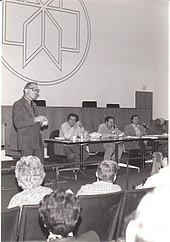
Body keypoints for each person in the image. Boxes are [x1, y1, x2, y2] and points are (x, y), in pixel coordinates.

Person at [10, 82, 48, 164]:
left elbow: (35, 122)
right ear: (26, 90)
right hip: (26, 141)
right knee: (27, 168)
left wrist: (42, 123)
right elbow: (18, 123)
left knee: (39, 166)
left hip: (37, 140)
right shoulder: (18, 104)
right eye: (34, 89)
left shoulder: (34, 105)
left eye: (37, 90)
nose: (36, 92)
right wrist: (35, 119)